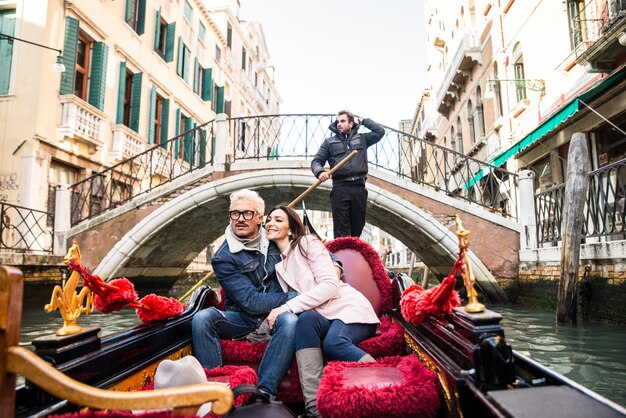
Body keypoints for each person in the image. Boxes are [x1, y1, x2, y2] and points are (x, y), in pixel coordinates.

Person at [264, 205, 379, 418]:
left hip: (348, 309)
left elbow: (330, 286)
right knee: (306, 320)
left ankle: (381, 382)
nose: (270, 223)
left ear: (291, 229)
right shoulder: (280, 261)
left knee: (333, 343)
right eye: (269, 219)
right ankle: (314, 410)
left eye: (279, 220)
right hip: (322, 315)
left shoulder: (306, 243)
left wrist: (285, 307)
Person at [191, 189, 299, 400]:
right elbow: (251, 302)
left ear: (260, 218)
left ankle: (264, 393)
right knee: (202, 318)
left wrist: (335, 264)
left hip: (279, 315)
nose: (240, 219)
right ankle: (216, 391)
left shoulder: (274, 234)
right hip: (244, 318)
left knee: (290, 320)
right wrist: (294, 297)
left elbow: (308, 245)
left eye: (247, 213)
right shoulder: (223, 257)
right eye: (235, 214)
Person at [311, 110, 385, 238]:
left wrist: (365, 121)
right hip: (340, 188)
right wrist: (320, 172)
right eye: (337, 121)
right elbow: (316, 161)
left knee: (358, 225)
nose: (339, 124)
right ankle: (342, 256)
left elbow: (380, 132)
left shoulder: (362, 139)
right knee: (341, 229)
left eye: (343, 121)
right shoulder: (329, 142)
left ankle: (353, 254)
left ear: (351, 124)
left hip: (359, 188)